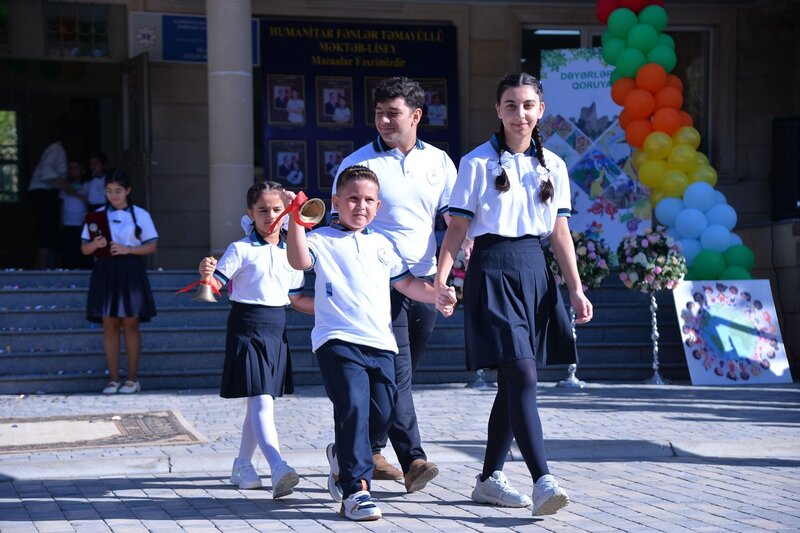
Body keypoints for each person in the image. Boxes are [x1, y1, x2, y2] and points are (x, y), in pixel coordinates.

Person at [435, 73, 593, 517]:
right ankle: (543, 480)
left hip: (535, 271)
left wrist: (575, 289)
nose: (519, 113)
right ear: (498, 110)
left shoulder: (555, 166)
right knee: (522, 374)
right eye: (510, 105)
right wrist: (442, 281)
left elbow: (560, 233)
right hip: (493, 270)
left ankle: (487, 479)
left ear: (540, 110)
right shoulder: (476, 163)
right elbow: (457, 229)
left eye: (527, 105)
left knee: (513, 380)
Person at [284, 165, 456, 521]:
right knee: (353, 410)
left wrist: (437, 294)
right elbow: (299, 259)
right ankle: (356, 491)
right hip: (338, 341)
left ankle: (340, 455)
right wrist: (296, 222)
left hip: (381, 344)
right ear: (336, 202)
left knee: (385, 412)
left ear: (378, 206)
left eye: (368, 200)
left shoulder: (383, 244)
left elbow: (408, 283)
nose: (360, 206)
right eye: (352, 199)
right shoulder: (322, 240)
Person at [333, 76, 458, 492]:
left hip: (421, 282)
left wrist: (451, 268)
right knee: (398, 371)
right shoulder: (358, 166)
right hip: (374, 286)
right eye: (378, 113)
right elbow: (341, 227)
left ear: (416, 116)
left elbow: (452, 220)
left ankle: (359, 449)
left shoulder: (439, 162)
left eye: (394, 113)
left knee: (397, 376)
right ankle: (414, 458)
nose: (384, 120)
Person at [198, 181, 314, 499]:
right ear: (250, 213)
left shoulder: (293, 252)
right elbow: (214, 286)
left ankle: (242, 465)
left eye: (277, 209)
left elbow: (297, 299)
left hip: (277, 329)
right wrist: (206, 273)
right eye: (262, 210)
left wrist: (336, 308)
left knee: (259, 400)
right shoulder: (241, 249)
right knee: (261, 399)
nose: (270, 216)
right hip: (246, 327)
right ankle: (278, 466)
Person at [81, 169, 158, 395]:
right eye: (109, 191)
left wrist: (128, 249)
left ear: (128, 191)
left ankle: (132, 379)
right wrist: (97, 244)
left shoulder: (140, 214)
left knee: (131, 323)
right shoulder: (96, 215)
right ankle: (113, 379)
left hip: (130, 268)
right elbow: (84, 248)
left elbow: (152, 245)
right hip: (105, 269)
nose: (113, 196)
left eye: (118, 191)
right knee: (109, 323)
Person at [28, 136, 69, 269]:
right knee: (47, 232)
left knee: (49, 232)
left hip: (48, 194)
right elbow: (47, 172)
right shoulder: (56, 149)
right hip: (43, 193)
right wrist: (68, 188)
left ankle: (47, 267)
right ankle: (42, 268)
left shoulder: (56, 150)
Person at [59, 159, 92, 269]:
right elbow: (62, 203)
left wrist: (74, 193)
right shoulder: (65, 186)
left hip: (81, 222)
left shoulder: (87, 185)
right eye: (71, 168)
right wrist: (61, 220)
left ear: (83, 170)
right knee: (68, 249)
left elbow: (90, 201)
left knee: (81, 249)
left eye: (76, 167)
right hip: (68, 222)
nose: (73, 170)